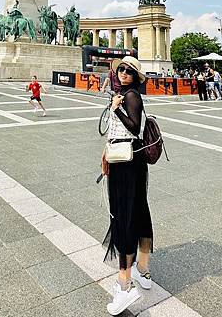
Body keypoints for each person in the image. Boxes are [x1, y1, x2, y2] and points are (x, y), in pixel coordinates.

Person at [101, 56, 153, 315]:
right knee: (139, 212)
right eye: (120, 69)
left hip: (128, 164)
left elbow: (132, 127)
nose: (122, 73)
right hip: (125, 159)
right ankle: (143, 271)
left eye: (128, 71)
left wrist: (117, 108)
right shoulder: (125, 93)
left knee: (124, 217)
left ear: (135, 76)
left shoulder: (131, 96)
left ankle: (125, 286)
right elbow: (115, 133)